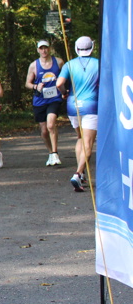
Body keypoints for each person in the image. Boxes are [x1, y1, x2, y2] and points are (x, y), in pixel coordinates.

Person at [56, 36, 100, 192]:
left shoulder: (69, 64)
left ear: (76, 48)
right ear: (92, 48)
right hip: (91, 106)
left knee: (80, 137)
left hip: (73, 106)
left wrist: (64, 93)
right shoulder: (99, 64)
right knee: (88, 143)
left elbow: (59, 83)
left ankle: (81, 174)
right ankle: (78, 173)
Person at [26, 40, 65, 166]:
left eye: (46, 48)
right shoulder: (34, 65)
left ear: (49, 49)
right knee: (44, 131)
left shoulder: (59, 62)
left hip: (54, 98)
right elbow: (27, 83)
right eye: (41, 48)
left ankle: (55, 153)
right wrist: (35, 86)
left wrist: (64, 89)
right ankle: (50, 153)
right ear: (38, 50)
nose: (44, 50)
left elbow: (66, 77)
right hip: (40, 100)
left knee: (51, 124)